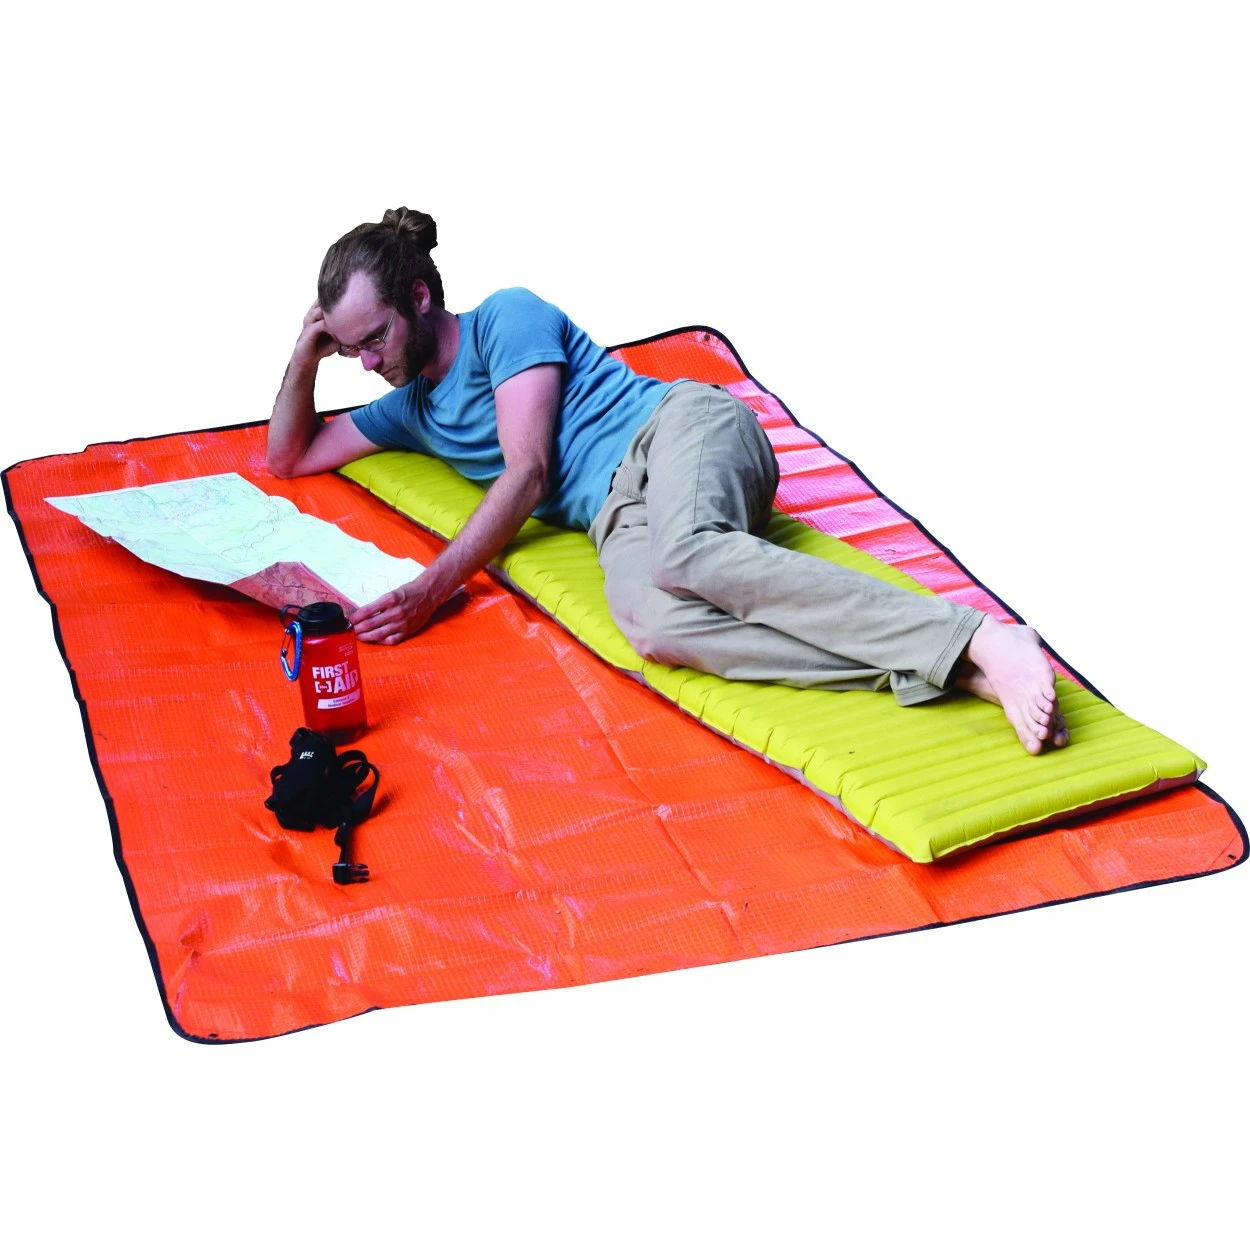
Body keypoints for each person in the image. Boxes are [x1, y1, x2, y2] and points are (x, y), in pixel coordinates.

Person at [268, 207, 1067, 754]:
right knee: (657, 628)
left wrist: (430, 589)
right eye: (351, 349)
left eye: (374, 339)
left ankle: (976, 635)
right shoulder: (408, 407)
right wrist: (307, 353)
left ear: (420, 297)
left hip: (678, 428)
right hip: (619, 512)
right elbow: (289, 457)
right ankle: (951, 666)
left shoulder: (507, 318)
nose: (365, 364)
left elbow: (529, 470)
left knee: (687, 554)